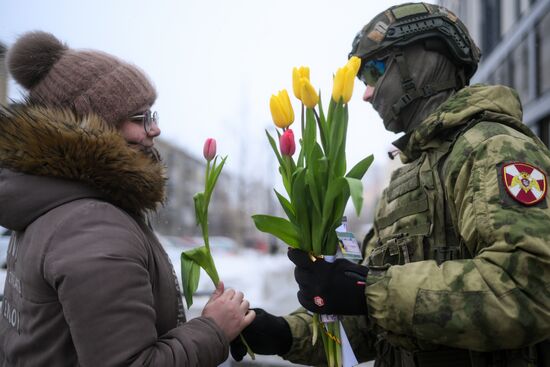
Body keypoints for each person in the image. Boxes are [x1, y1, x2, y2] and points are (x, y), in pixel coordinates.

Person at [230, 2, 550, 366]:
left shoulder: (491, 147)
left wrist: (370, 290)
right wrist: (286, 334)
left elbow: (528, 289)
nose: (366, 93)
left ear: (422, 63)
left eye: (375, 71)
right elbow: (376, 324)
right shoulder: (407, 177)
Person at [0, 31, 255, 366]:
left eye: (154, 115)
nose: (155, 129)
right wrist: (214, 329)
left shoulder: (53, 204)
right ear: (91, 127)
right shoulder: (91, 227)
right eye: (140, 118)